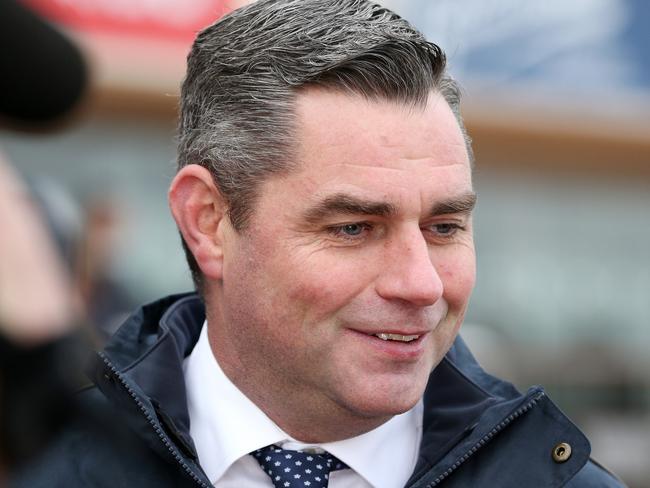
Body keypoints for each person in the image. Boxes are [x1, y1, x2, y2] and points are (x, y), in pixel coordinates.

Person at [12, 0, 625, 486]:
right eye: (353, 228)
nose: (420, 284)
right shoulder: (39, 466)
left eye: (444, 228)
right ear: (207, 221)